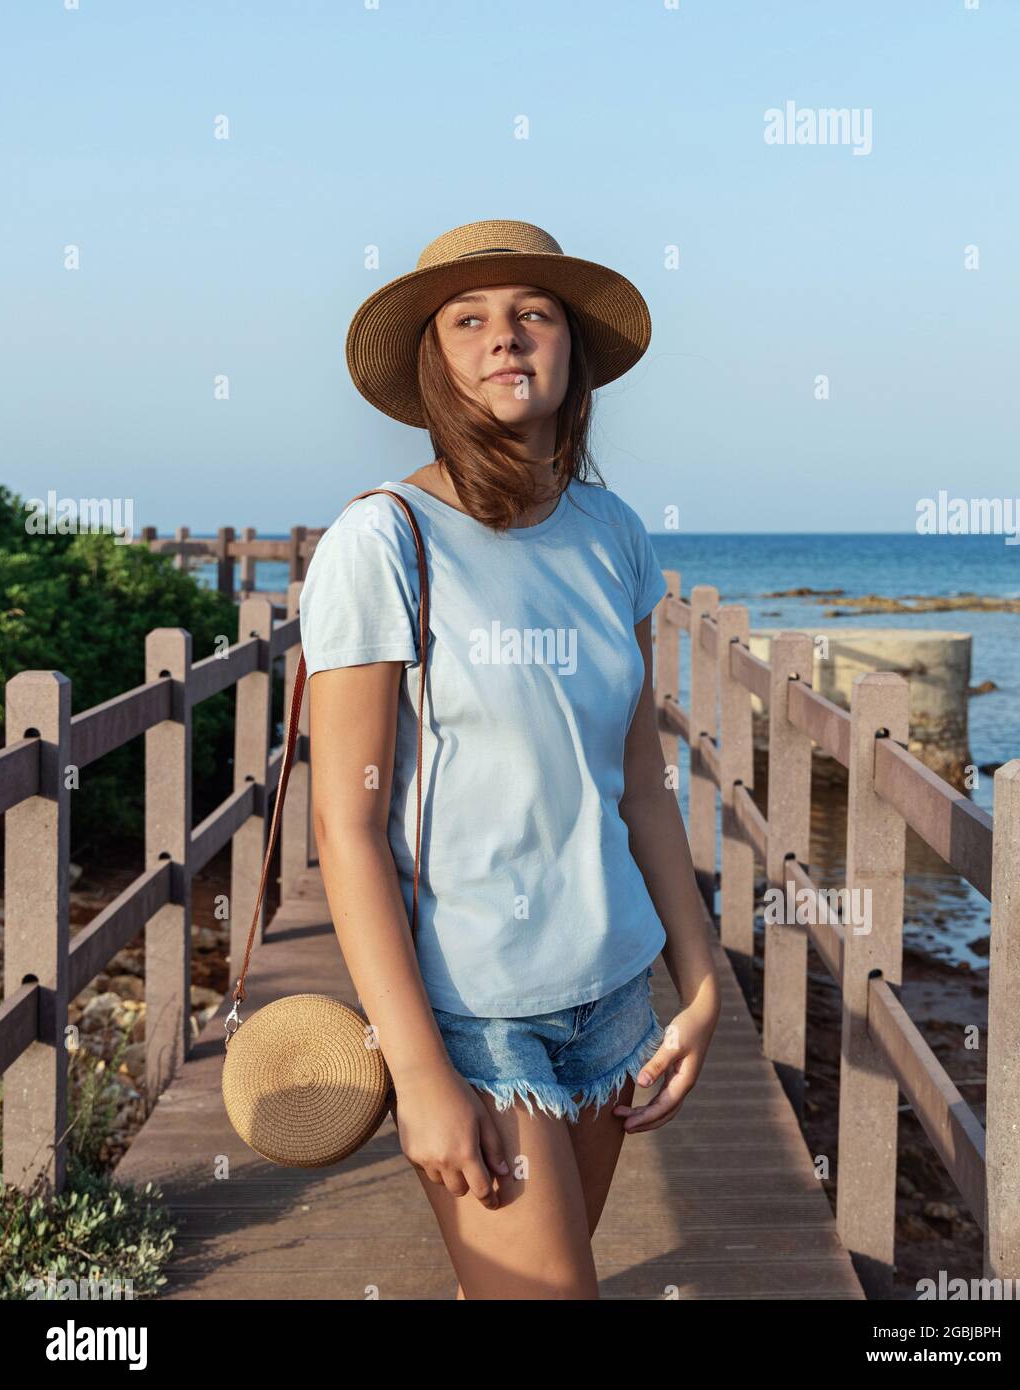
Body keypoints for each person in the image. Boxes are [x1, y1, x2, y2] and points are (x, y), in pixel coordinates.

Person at [299, 220, 721, 1300]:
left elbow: (640, 782)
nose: (505, 338)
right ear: (435, 359)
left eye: (532, 313)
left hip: (615, 993)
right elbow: (344, 824)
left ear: (571, 349)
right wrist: (421, 1070)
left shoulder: (614, 533)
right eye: (469, 319)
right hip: (473, 1013)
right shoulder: (383, 540)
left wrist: (700, 979)